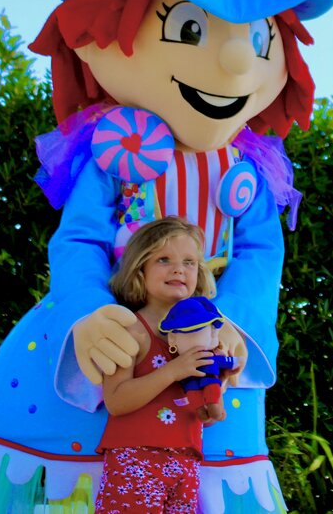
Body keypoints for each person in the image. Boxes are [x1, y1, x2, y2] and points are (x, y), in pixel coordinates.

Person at [0, 0, 333, 514]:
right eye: (188, 27)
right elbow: (81, 238)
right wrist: (90, 311)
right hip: (102, 361)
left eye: (257, 33)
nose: (237, 59)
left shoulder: (248, 172)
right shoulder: (120, 152)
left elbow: (259, 254)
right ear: (97, 36)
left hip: (208, 362)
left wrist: (236, 323)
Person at [95, 217, 241, 514]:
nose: (179, 269)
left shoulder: (203, 339)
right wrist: (174, 370)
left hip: (186, 460)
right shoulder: (130, 328)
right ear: (140, 269)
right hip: (135, 459)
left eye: (189, 262)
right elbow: (116, 400)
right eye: (164, 259)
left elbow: (205, 415)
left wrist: (219, 382)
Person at [159, 296, 239, 424]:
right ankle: (211, 409)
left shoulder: (212, 353)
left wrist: (223, 377)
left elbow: (208, 423)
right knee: (203, 392)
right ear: (172, 338)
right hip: (198, 383)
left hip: (199, 384)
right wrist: (235, 362)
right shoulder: (176, 359)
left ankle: (212, 409)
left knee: (205, 392)